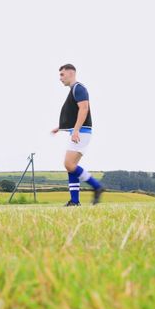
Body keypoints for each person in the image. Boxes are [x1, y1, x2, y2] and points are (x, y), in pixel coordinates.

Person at [51, 63, 105, 206]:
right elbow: (74, 114)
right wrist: (60, 127)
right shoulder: (74, 90)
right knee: (71, 166)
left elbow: (84, 108)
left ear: (71, 73)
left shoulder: (79, 88)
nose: (60, 78)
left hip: (81, 132)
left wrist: (75, 130)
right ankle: (74, 201)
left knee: (69, 164)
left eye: (62, 74)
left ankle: (96, 186)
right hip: (79, 131)